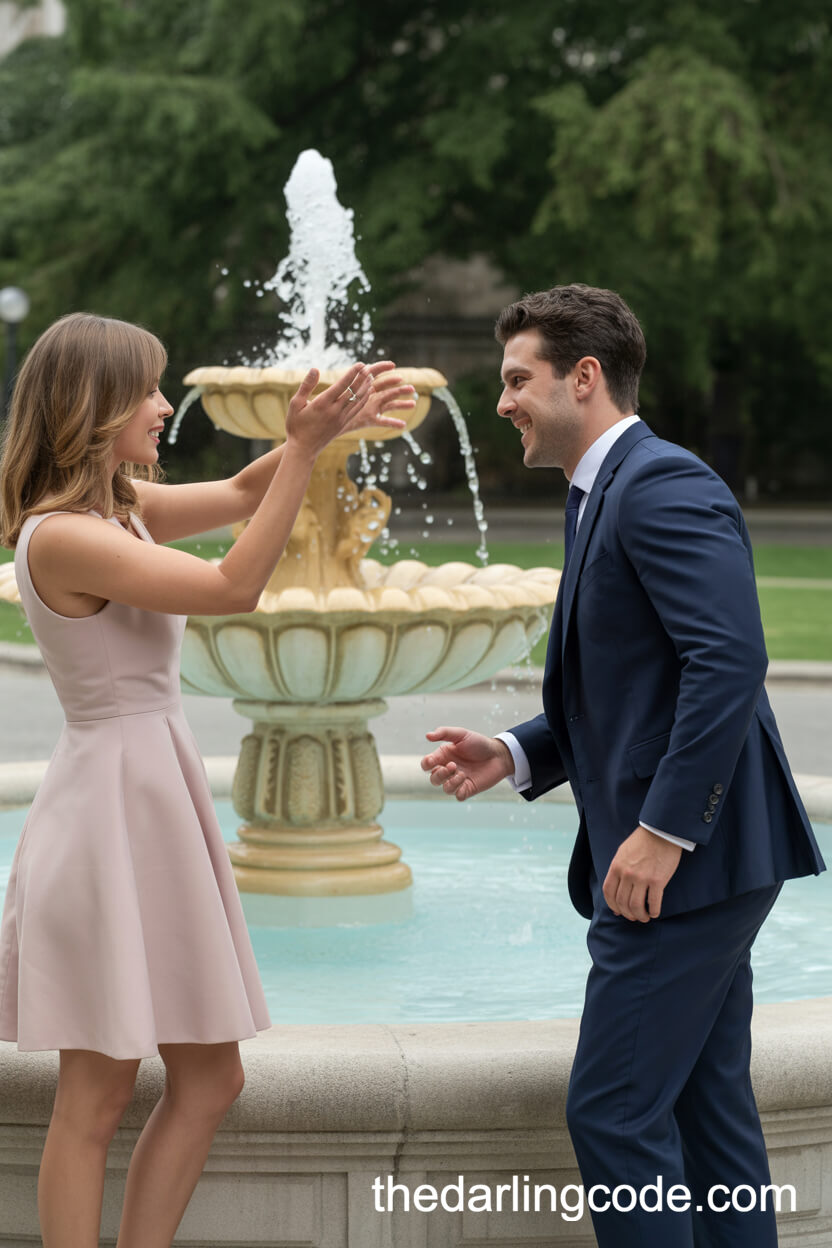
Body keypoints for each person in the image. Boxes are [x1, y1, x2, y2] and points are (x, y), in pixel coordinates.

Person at [0, 310, 415, 1248]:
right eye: (147, 390)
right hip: (105, 817)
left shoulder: (123, 512)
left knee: (210, 1078)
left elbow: (236, 490)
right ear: (94, 406)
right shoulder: (62, 537)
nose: (162, 406)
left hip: (148, 800)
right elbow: (235, 587)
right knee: (95, 1095)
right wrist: (302, 450)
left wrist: (325, 433)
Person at [421, 284, 825, 1247]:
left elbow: (727, 660)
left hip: (684, 865)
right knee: (707, 1110)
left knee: (611, 1113)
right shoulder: (603, 491)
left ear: (585, 377)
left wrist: (663, 829)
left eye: (518, 380)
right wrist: (517, 749)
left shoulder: (662, 483)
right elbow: (634, 682)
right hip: (711, 862)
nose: (503, 402)